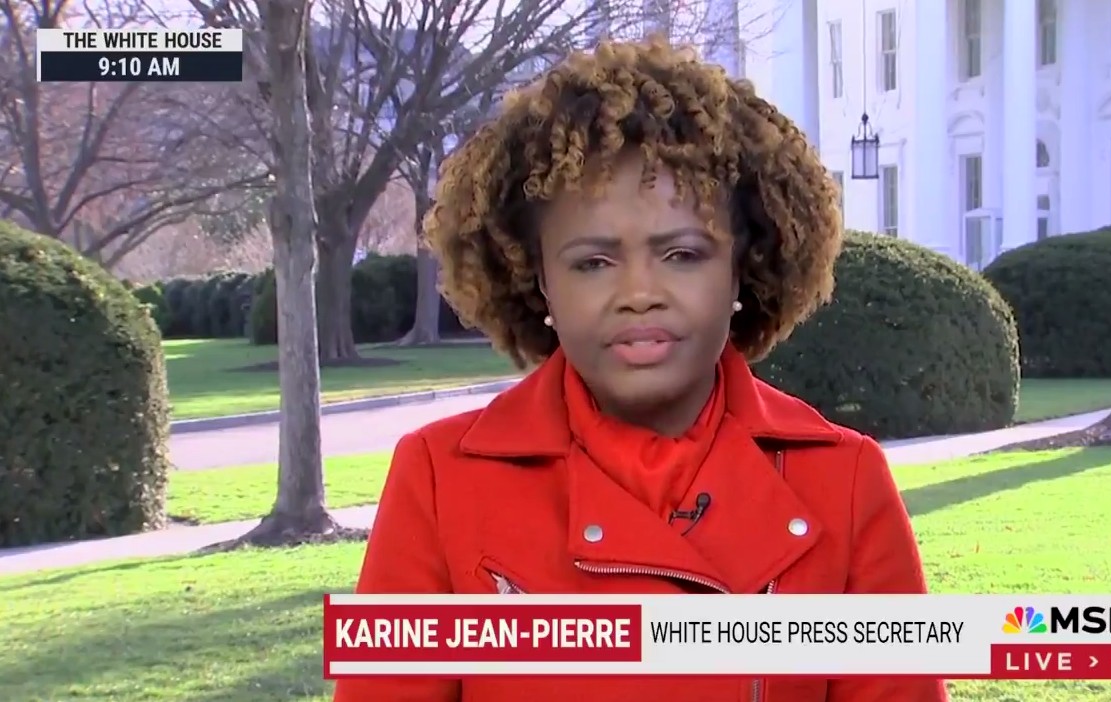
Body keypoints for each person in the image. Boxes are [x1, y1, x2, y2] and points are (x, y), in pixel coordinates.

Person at [333, 36, 948, 702]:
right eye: (592, 262)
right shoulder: (438, 478)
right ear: (539, 281)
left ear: (742, 267)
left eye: (682, 254)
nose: (638, 293)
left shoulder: (844, 481)